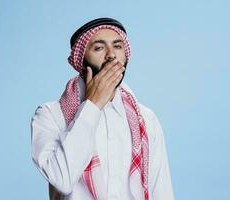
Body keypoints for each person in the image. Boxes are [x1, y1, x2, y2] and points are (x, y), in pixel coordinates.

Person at [31, 17, 174, 200]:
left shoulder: (146, 119)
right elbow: (62, 180)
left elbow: (162, 191)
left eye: (118, 46)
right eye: (99, 48)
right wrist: (92, 106)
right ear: (81, 62)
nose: (111, 55)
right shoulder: (50, 115)